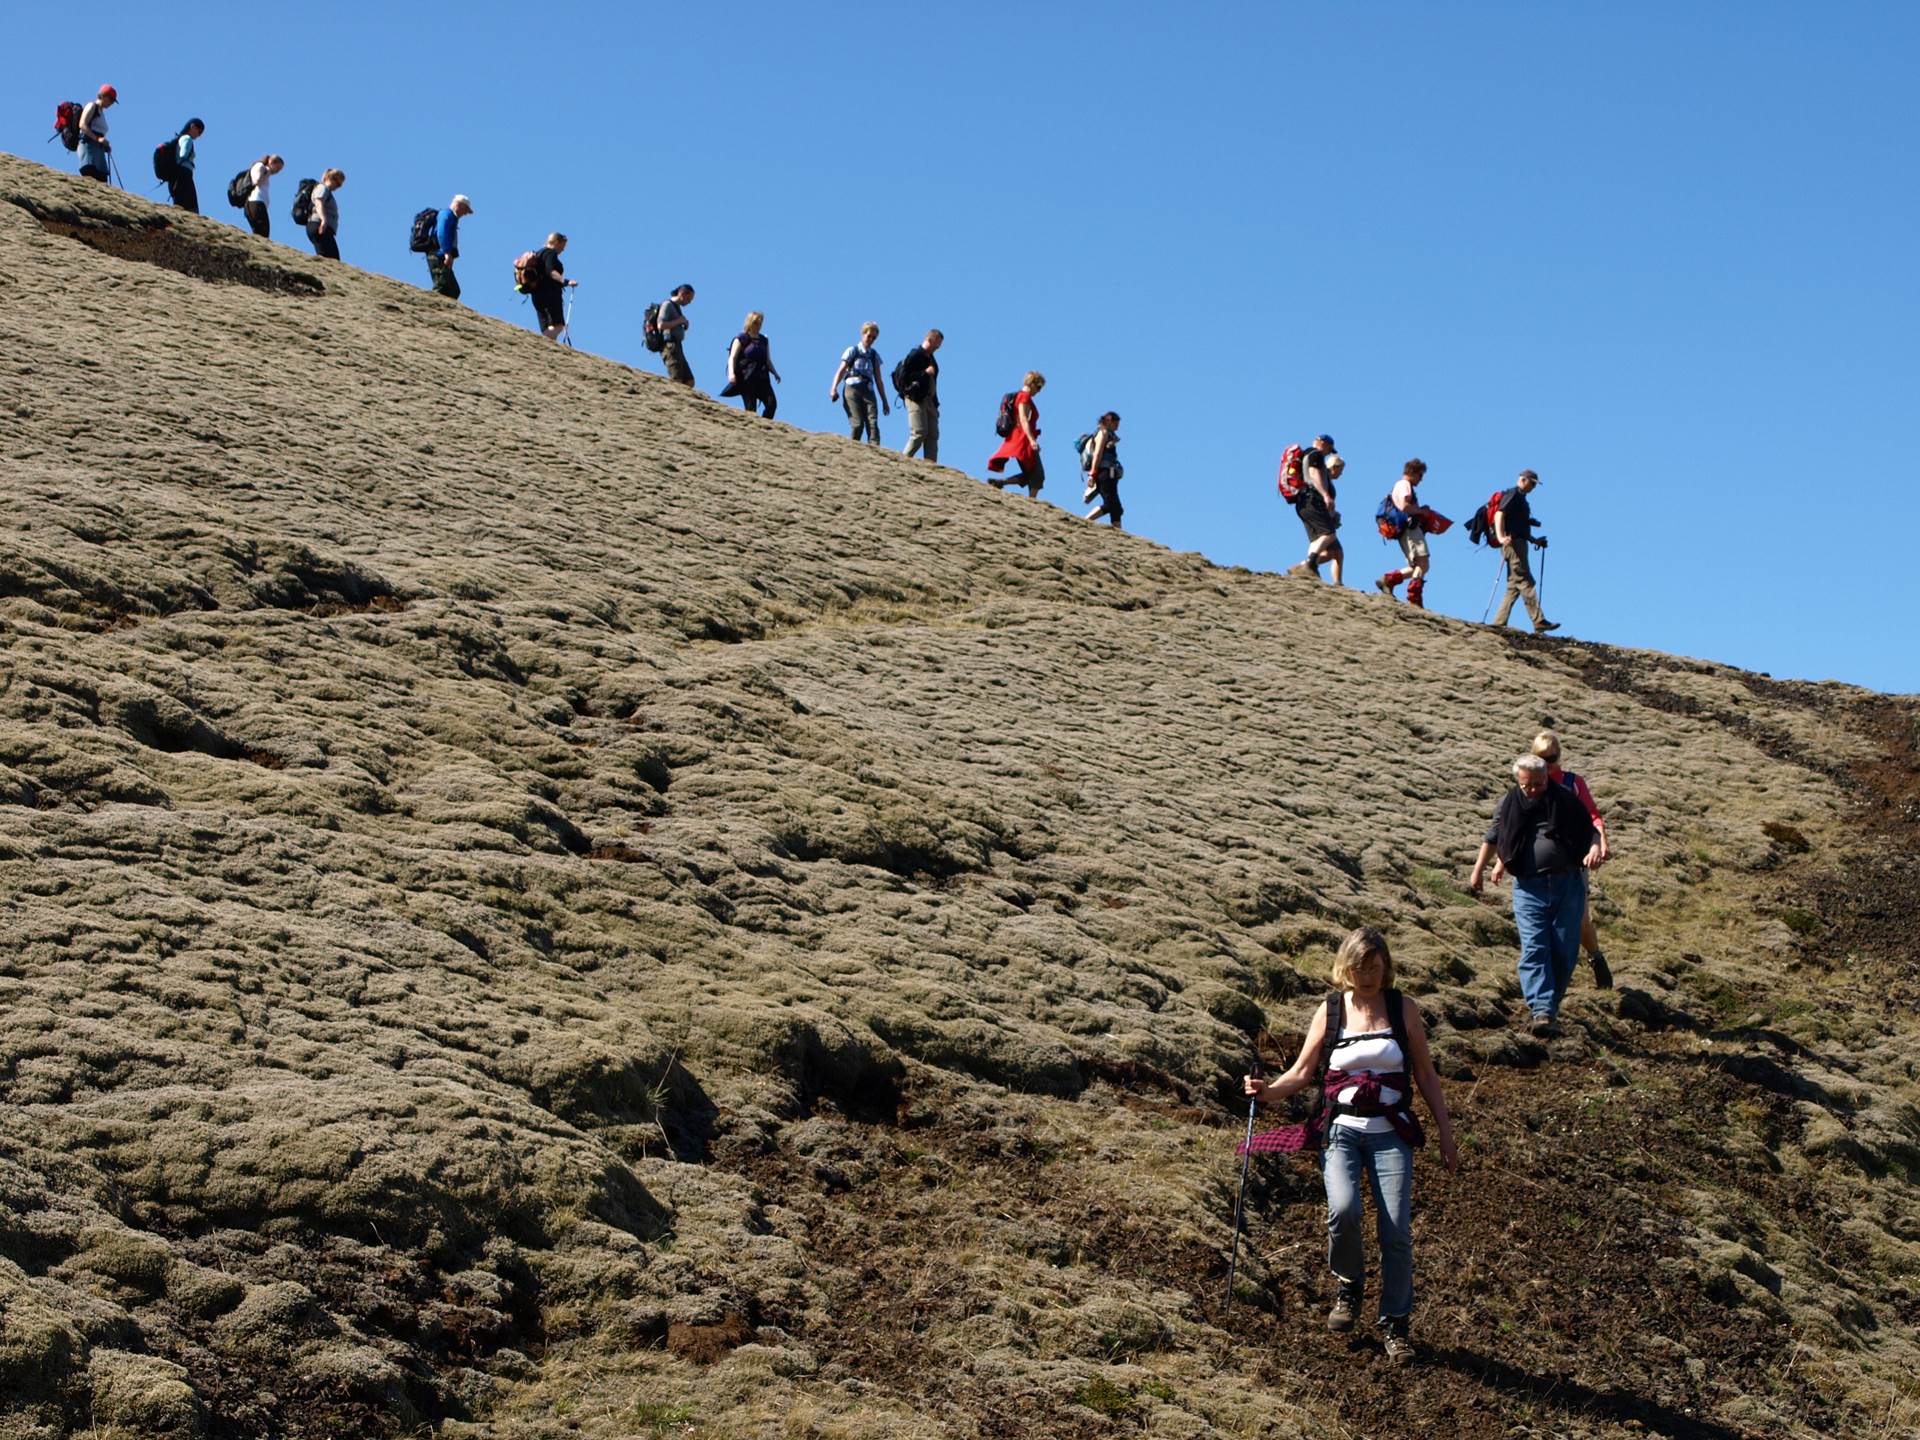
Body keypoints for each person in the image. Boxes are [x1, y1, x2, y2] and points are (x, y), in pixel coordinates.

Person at [1241, 927, 1457, 1364]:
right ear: (1346, 968)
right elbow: (1303, 1073)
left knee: (1395, 1230)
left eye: (1375, 967)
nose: (1368, 976)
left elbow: (1427, 1076)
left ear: (1386, 967)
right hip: (1341, 1132)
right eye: (1360, 968)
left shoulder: (1403, 1009)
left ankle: (1396, 1324)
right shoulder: (1332, 1010)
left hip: (1391, 1134)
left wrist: (1446, 1134)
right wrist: (1266, 1092)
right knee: (1344, 1210)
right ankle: (1350, 1285)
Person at [1467, 754, 1603, 1036]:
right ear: (1518, 781)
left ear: (1546, 779)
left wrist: (1594, 848)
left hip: (1568, 884)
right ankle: (1542, 1010)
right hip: (1529, 888)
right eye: (1527, 785)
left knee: (1565, 950)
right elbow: (1494, 836)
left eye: (1539, 785)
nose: (1533, 791)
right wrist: (1478, 869)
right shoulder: (1509, 804)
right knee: (1535, 947)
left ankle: (1548, 1005)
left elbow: (1589, 829)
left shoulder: (1564, 800)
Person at [1491, 731, 1613, 988]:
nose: (1547, 763)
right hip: (1534, 870)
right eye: (1541, 758)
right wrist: (1501, 861)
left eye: (1552, 758)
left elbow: (1591, 815)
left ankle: (1595, 958)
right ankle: (1545, 986)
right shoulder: (1526, 785)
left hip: (1573, 862)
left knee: (1579, 919)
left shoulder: (1572, 783)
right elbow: (1514, 828)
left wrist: (1599, 842)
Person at [1490, 469, 1559, 633]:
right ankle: (1539, 620)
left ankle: (1498, 624)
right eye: (1533, 483)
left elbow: (1519, 526)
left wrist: (1534, 540)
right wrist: (1501, 537)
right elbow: (1499, 515)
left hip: (1518, 543)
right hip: (1513, 544)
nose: (1534, 487)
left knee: (1513, 585)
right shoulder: (1513, 495)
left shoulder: (1520, 498)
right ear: (1523, 480)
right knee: (1525, 580)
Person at [1286, 435, 1344, 585]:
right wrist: (1325, 495)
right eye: (1330, 449)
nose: (1328, 453)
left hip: (1304, 502)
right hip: (1312, 500)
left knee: (1329, 546)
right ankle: (1308, 565)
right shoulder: (1315, 454)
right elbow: (1313, 473)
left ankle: (1305, 569)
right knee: (1328, 534)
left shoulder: (1307, 455)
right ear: (1324, 444)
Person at [1375, 459, 1432, 607]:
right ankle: (1414, 597)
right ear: (1412, 472)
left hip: (1405, 530)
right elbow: (1404, 506)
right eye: (1420, 475)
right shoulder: (1404, 485)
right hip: (1410, 529)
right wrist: (1421, 511)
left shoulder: (1401, 486)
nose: (1421, 479)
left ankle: (1388, 580)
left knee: (1417, 567)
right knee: (1423, 563)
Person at [987, 371, 1046, 496]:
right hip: (1023, 440)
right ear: (1032, 383)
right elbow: (1023, 419)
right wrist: (1032, 440)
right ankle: (1032, 503)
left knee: (1030, 472)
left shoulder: (1021, 396)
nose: (1039, 391)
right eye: (1039, 387)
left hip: (1020, 438)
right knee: (1038, 474)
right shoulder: (1024, 397)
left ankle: (1002, 482)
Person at [830, 323, 888, 444]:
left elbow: (879, 380)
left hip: (868, 390)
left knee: (873, 423)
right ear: (863, 334)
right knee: (857, 424)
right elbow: (840, 371)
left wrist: (884, 401)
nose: (871, 339)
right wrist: (833, 388)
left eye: (874, 338)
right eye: (869, 336)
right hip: (852, 388)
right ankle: (853, 450)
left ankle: (875, 453)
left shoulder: (874, 356)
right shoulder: (852, 351)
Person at [721, 312, 781, 417]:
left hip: (762, 378)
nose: (758, 326)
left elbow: (767, 360)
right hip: (746, 378)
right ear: (750, 323)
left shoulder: (764, 340)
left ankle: (765, 428)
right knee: (751, 410)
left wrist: (775, 373)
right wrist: (731, 374)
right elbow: (732, 357)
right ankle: (752, 430)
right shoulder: (741, 338)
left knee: (771, 404)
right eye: (756, 323)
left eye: (760, 323)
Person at [898, 330, 943, 461]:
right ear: (929, 339)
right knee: (919, 433)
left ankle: (930, 467)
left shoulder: (932, 359)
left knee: (933, 435)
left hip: (930, 401)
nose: (937, 348)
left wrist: (935, 404)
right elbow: (904, 377)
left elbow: (933, 382)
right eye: (937, 344)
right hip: (915, 398)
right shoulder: (915, 354)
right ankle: (903, 461)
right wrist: (924, 372)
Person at [528, 232, 577, 341]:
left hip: (537, 295)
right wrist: (566, 281)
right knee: (558, 326)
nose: (563, 250)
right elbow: (551, 271)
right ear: (556, 242)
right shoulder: (550, 253)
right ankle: (541, 344)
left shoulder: (539, 253)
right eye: (562, 246)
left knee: (548, 327)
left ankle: (545, 350)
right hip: (549, 295)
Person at [1082, 412, 1124, 528]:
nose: (1118, 426)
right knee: (1110, 504)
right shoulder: (1103, 433)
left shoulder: (1109, 435)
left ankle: (1119, 536)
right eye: (1116, 423)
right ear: (1109, 420)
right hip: (1104, 473)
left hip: (1110, 473)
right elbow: (1098, 454)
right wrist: (1092, 474)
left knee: (1117, 508)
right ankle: (1084, 521)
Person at [427, 195, 473, 300]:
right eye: (466, 209)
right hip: (438, 255)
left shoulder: (450, 216)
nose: (465, 213)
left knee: (450, 289)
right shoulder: (446, 214)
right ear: (459, 205)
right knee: (444, 287)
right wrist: (447, 253)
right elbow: (441, 233)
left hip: (440, 256)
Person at [77, 85, 116, 182]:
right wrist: (98, 139)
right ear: (103, 96)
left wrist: (104, 144)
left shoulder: (100, 112)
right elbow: (82, 124)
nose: (111, 103)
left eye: (113, 101)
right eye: (111, 99)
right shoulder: (92, 106)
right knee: (91, 178)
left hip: (98, 152)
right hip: (89, 149)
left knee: (102, 180)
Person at [658, 284, 695, 385]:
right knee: (677, 379)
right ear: (682, 293)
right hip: (670, 345)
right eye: (689, 299)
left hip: (677, 345)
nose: (689, 302)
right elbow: (661, 325)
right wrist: (679, 321)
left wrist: (683, 324)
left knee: (689, 381)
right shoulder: (667, 304)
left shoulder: (676, 307)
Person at [306, 168, 345, 260]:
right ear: (330, 178)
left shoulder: (327, 192)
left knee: (333, 258)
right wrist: (324, 220)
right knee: (326, 256)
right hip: (319, 224)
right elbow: (319, 202)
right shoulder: (322, 188)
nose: (338, 186)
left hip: (322, 226)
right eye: (337, 182)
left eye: (340, 185)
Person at [167, 118, 204, 212]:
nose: (199, 136)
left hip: (175, 177)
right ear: (192, 126)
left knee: (179, 205)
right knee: (191, 206)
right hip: (184, 175)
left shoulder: (179, 139)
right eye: (199, 132)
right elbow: (183, 154)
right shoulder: (187, 139)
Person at [243, 155, 285, 238]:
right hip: (255, 202)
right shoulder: (260, 166)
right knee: (263, 232)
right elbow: (257, 180)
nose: (277, 172)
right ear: (271, 162)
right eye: (278, 168)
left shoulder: (265, 171)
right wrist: (266, 172)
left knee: (262, 232)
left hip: (258, 204)